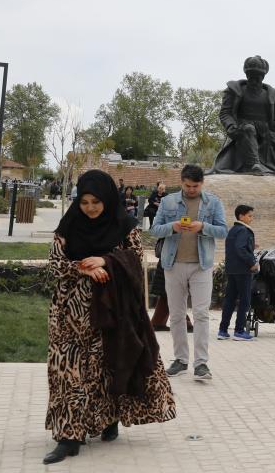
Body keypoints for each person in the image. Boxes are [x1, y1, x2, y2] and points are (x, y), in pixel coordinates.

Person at [42, 170, 175, 465]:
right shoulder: (69, 225)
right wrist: (81, 268)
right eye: (85, 201)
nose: (90, 208)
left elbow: (137, 259)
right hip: (68, 314)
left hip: (111, 312)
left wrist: (106, 260)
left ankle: (107, 419)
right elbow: (53, 264)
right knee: (68, 374)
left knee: (105, 370)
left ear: (108, 200)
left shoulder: (124, 225)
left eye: (96, 202)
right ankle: (69, 436)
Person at [150, 164, 228, 383]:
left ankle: (201, 363)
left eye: (195, 186)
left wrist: (203, 226)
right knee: (176, 314)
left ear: (202, 183)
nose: (192, 189)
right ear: (181, 182)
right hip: (173, 264)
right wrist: (172, 226)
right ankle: (180, 359)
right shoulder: (167, 202)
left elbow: (223, 231)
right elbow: (154, 229)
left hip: (201, 265)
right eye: (187, 185)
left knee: (201, 314)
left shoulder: (213, 202)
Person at [218, 205, 258, 342]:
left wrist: (252, 247)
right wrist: (252, 262)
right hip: (243, 270)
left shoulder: (233, 230)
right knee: (245, 300)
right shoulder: (244, 230)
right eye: (250, 216)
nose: (251, 218)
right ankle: (239, 331)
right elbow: (240, 248)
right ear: (241, 216)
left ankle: (223, 330)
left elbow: (236, 247)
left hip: (232, 269)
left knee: (230, 299)